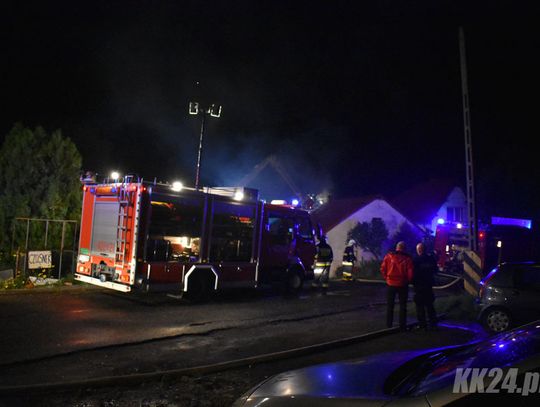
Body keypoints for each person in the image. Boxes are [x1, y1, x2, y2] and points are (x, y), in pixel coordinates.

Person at [380, 241, 414, 331]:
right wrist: (408, 281)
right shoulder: (408, 259)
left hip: (391, 284)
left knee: (390, 305)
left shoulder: (389, 256)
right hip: (403, 284)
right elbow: (410, 273)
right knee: (403, 306)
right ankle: (402, 325)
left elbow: (383, 269)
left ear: (397, 247)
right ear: (404, 248)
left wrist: (387, 278)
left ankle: (389, 325)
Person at [412, 242, 438, 330]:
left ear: (418, 250)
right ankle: (433, 323)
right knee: (430, 305)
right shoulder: (431, 259)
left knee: (420, 306)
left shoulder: (415, 260)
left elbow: (413, 273)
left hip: (419, 286)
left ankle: (422, 325)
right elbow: (435, 270)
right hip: (428, 285)